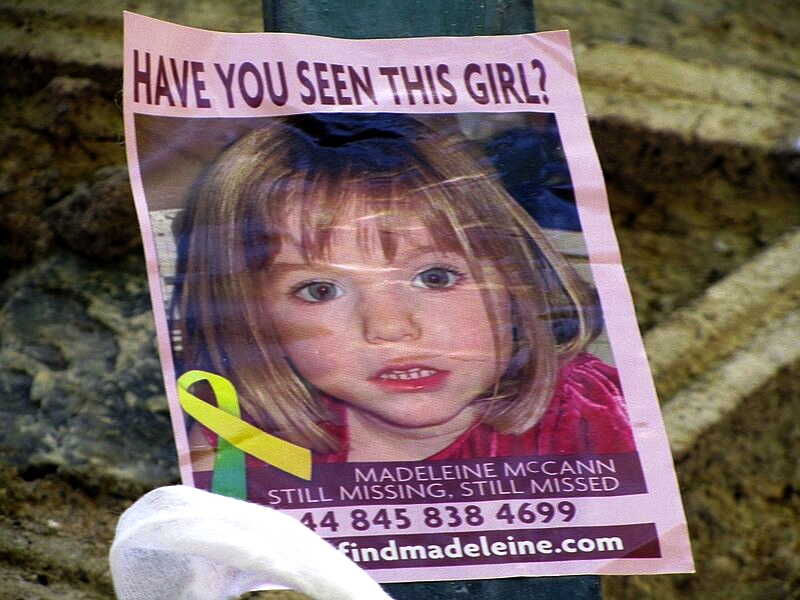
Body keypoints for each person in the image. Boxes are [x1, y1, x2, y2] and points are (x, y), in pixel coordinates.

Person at [172, 113, 634, 465]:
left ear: (515, 285)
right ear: (251, 319)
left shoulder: (594, 412)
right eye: (320, 290)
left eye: (435, 278)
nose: (390, 327)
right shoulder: (242, 447)